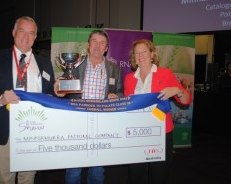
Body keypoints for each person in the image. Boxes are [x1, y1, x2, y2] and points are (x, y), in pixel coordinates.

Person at [0, 16, 55, 184]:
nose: (26, 37)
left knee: (28, 178)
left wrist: (57, 91)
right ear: (13, 33)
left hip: (34, 129)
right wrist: (0, 98)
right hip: (5, 127)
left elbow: (49, 95)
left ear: (35, 37)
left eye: (31, 33)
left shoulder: (45, 63)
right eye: (22, 31)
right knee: (5, 178)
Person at [54, 29, 124, 184]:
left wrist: (116, 97)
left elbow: (120, 92)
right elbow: (63, 89)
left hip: (101, 125)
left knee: (98, 171)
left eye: (102, 43)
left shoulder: (115, 69)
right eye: (94, 41)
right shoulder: (75, 63)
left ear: (106, 48)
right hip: (77, 124)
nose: (97, 46)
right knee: (73, 170)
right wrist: (58, 88)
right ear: (88, 44)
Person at [124, 39, 192, 184]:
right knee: (135, 175)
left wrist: (178, 90)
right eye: (137, 53)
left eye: (144, 51)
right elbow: (127, 106)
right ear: (133, 57)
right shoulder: (129, 79)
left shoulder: (165, 74)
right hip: (136, 134)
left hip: (160, 134)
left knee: (158, 176)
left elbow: (186, 101)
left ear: (152, 54)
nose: (140, 55)